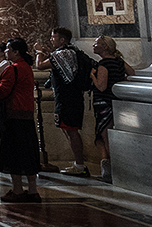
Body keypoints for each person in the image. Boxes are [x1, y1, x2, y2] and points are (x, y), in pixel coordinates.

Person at [0, 38, 42, 201]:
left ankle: (17, 189)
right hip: (26, 115)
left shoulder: (12, 69)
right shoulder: (26, 67)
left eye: (8, 49)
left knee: (14, 154)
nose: (5, 51)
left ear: (16, 52)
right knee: (28, 154)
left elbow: (2, 92)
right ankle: (32, 189)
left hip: (14, 115)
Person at [49, 27, 96, 176]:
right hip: (73, 97)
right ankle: (78, 164)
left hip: (67, 98)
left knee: (71, 131)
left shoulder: (62, 53)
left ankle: (80, 165)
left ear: (62, 40)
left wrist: (39, 52)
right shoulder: (74, 52)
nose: (51, 40)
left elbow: (40, 65)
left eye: (54, 37)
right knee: (68, 130)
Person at [90, 36, 125, 182]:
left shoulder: (103, 64)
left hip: (104, 104)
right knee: (104, 137)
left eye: (96, 43)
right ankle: (107, 171)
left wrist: (92, 75)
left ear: (104, 47)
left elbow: (101, 86)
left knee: (105, 138)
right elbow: (132, 73)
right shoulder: (119, 61)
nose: (93, 45)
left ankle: (114, 173)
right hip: (115, 102)